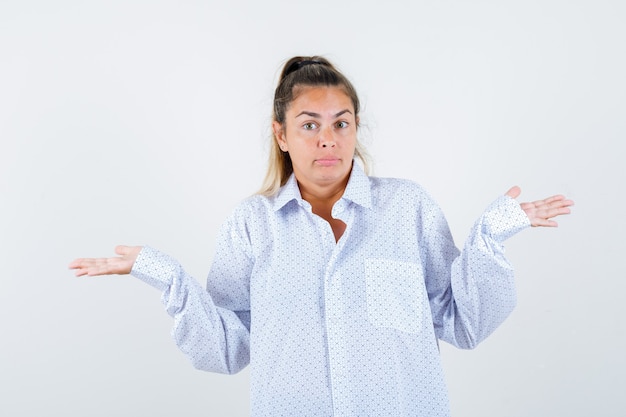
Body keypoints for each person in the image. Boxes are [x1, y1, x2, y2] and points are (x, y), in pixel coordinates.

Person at [69, 56, 574, 417]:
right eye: (309, 124)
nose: (327, 138)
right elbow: (226, 348)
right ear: (282, 135)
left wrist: (490, 236)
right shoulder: (252, 224)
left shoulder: (408, 207)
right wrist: (163, 274)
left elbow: (463, 322)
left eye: (341, 123)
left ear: (356, 129)